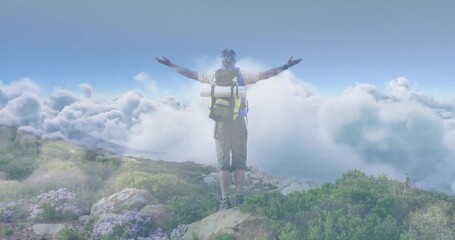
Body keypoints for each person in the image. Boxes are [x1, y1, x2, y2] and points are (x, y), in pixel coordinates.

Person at [156, 49, 301, 210]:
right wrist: (286, 66)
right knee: (240, 162)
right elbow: (267, 74)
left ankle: (225, 201)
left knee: (223, 164)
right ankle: (239, 199)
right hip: (239, 122)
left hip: (220, 124)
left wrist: (170, 64)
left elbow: (189, 73)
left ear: (221, 60)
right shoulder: (242, 75)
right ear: (234, 61)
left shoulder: (211, 75)